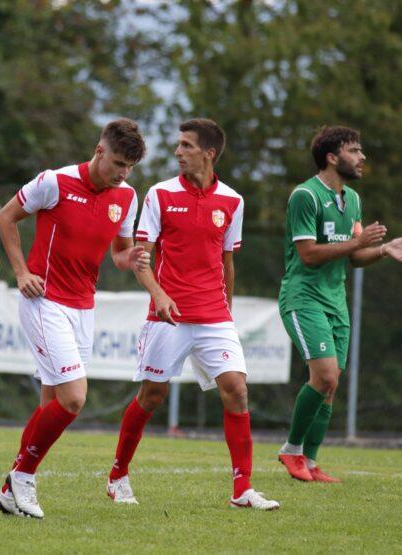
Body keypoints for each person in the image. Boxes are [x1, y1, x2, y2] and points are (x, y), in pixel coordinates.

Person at [106, 118, 280, 510]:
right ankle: (118, 475)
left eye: (186, 145)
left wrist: (227, 313)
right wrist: (160, 296)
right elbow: (141, 259)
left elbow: (227, 262)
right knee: (152, 396)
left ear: (209, 153)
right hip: (168, 316)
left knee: (236, 390)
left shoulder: (233, 200)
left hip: (214, 316)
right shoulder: (160, 194)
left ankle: (242, 490)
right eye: (178, 144)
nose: (177, 152)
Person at [0, 118, 150, 519]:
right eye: (117, 163)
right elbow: (6, 217)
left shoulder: (127, 196)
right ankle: (22, 478)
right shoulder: (54, 182)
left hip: (84, 307)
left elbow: (118, 252)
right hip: (44, 301)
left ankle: (14, 483)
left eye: (129, 167)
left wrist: (128, 259)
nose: (122, 173)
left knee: (53, 403)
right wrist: (21, 272)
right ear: (99, 151)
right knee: (75, 397)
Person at [277, 126, 402, 482]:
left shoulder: (351, 199)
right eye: (354, 150)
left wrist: (382, 249)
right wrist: (358, 243)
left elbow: (354, 257)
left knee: (331, 383)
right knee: (322, 376)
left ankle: (309, 460)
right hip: (303, 297)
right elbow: (308, 255)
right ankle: (290, 450)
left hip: (335, 301)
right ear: (332, 157)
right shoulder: (305, 196)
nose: (362, 157)